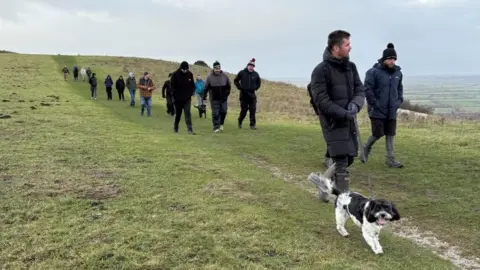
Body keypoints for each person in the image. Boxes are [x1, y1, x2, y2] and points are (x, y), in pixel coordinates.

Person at [309, 30, 365, 201]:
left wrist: (355, 105)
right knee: (341, 164)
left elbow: (360, 90)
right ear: (335, 47)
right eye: (347, 44)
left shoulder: (351, 67)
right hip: (332, 122)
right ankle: (344, 204)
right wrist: (343, 113)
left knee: (348, 159)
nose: (350, 47)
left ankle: (323, 184)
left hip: (349, 121)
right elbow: (322, 101)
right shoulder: (320, 71)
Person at [361, 43, 404, 168]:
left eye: (394, 59)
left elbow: (399, 88)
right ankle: (365, 148)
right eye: (390, 59)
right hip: (377, 110)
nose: (392, 61)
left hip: (391, 110)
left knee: (390, 134)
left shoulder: (398, 73)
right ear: (384, 59)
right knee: (378, 133)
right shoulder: (373, 72)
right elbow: (368, 89)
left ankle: (390, 160)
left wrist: (399, 100)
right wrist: (374, 103)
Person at [308, 82, 333, 168]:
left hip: (334, 111)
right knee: (330, 136)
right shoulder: (313, 85)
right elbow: (313, 100)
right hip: (324, 113)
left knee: (333, 135)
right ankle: (329, 158)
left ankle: (329, 157)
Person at [234, 58, 261, 130]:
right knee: (244, 111)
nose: (251, 67)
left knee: (253, 110)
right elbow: (236, 81)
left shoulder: (256, 74)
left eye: (252, 66)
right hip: (243, 95)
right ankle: (240, 120)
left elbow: (259, 83)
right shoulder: (242, 73)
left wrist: (256, 88)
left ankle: (252, 125)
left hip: (252, 95)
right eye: (250, 65)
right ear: (248, 65)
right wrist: (239, 87)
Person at [204, 61, 231, 132]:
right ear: (213, 69)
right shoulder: (210, 77)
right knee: (215, 113)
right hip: (214, 98)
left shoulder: (225, 76)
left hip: (223, 98)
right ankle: (216, 127)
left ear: (220, 68)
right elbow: (206, 88)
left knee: (224, 111)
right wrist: (204, 96)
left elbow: (229, 86)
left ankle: (221, 123)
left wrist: (226, 94)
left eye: (218, 68)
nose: (217, 70)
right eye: (216, 68)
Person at [170, 61, 195, 134]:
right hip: (177, 99)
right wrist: (174, 98)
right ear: (181, 68)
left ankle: (190, 130)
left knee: (187, 113)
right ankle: (176, 128)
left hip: (187, 99)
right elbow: (172, 88)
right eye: (183, 69)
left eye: (186, 69)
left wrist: (191, 93)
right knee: (178, 114)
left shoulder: (190, 75)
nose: (185, 71)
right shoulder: (175, 75)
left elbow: (192, 86)